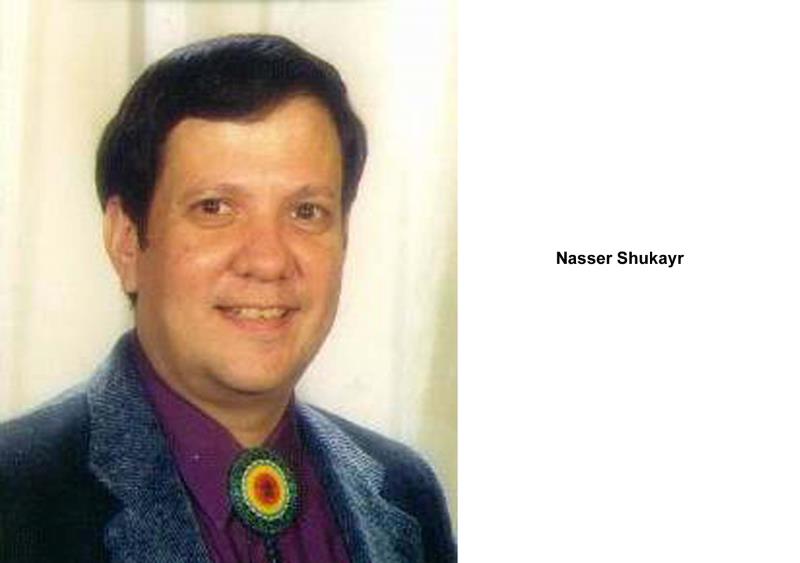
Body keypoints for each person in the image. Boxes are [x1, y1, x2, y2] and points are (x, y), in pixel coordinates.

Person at [0, 34, 455, 563]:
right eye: (215, 208)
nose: (268, 260)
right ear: (127, 242)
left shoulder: (406, 493)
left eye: (306, 212)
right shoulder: (15, 496)